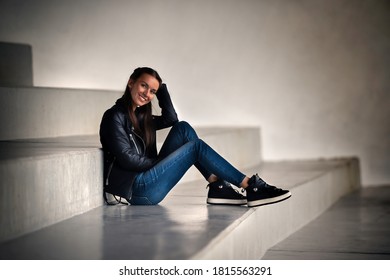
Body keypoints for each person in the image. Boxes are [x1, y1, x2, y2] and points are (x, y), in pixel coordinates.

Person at [99, 67, 291, 206]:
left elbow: (171, 119)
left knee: (183, 129)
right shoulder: (114, 117)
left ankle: (217, 187)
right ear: (131, 82)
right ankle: (249, 185)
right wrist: (160, 163)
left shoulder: (141, 117)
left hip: (146, 180)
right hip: (135, 190)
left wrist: (162, 89)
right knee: (195, 147)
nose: (147, 94)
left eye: (152, 91)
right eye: (143, 86)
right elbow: (127, 159)